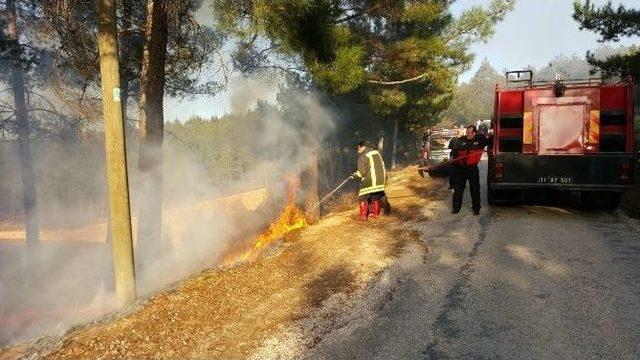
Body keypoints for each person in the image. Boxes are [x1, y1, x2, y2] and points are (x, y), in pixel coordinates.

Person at [452, 125, 491, 215]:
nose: (468, 134)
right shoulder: (461, 140)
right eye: (467, 132)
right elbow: (454, 151)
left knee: (475, 189)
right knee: (458, 189)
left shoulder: (480, 140)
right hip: (460, 168)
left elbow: (491, 140)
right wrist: (451, 156)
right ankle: (456, 208)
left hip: (472, 169)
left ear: (474, 133)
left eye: (470, 133)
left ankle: (476, 209)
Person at [352, 141, 387, 221]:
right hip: (381, 180)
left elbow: (362, 173)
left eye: (357, 148)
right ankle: (376, 214)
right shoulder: (376, 153)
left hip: (371, 181)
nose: (357, 151)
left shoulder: (363, 156)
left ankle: (363, 216)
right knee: (375, 197)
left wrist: (354, 175)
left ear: (362, 147)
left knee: (361, 197)